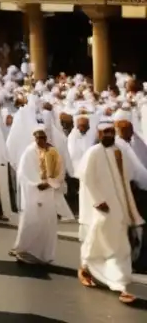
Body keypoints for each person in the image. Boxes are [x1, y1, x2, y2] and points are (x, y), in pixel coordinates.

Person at [78, 121, 143, 305]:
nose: (108, 135)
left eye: (111, 132)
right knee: (101, 238)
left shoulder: (118, 151)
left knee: (119, 245)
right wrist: (98, 201)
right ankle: (90, 268)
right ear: (99, 135)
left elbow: (127, 176)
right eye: (105, 132)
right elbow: (87, 178)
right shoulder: (93, 152)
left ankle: (120, 284)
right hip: (103, 206)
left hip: (120, 205)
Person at [11, 127, 64, 265]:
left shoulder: (52, 152)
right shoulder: (29, 152)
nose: (41, 140)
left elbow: (60, 171)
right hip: (33, 192)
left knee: (47, 224)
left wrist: (50, 183)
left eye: (43, 138)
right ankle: (25, 251)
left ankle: (44, 255)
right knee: (31, 221)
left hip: (48, 192)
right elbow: (23, 173)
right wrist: (36, 184)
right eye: (38, 137)